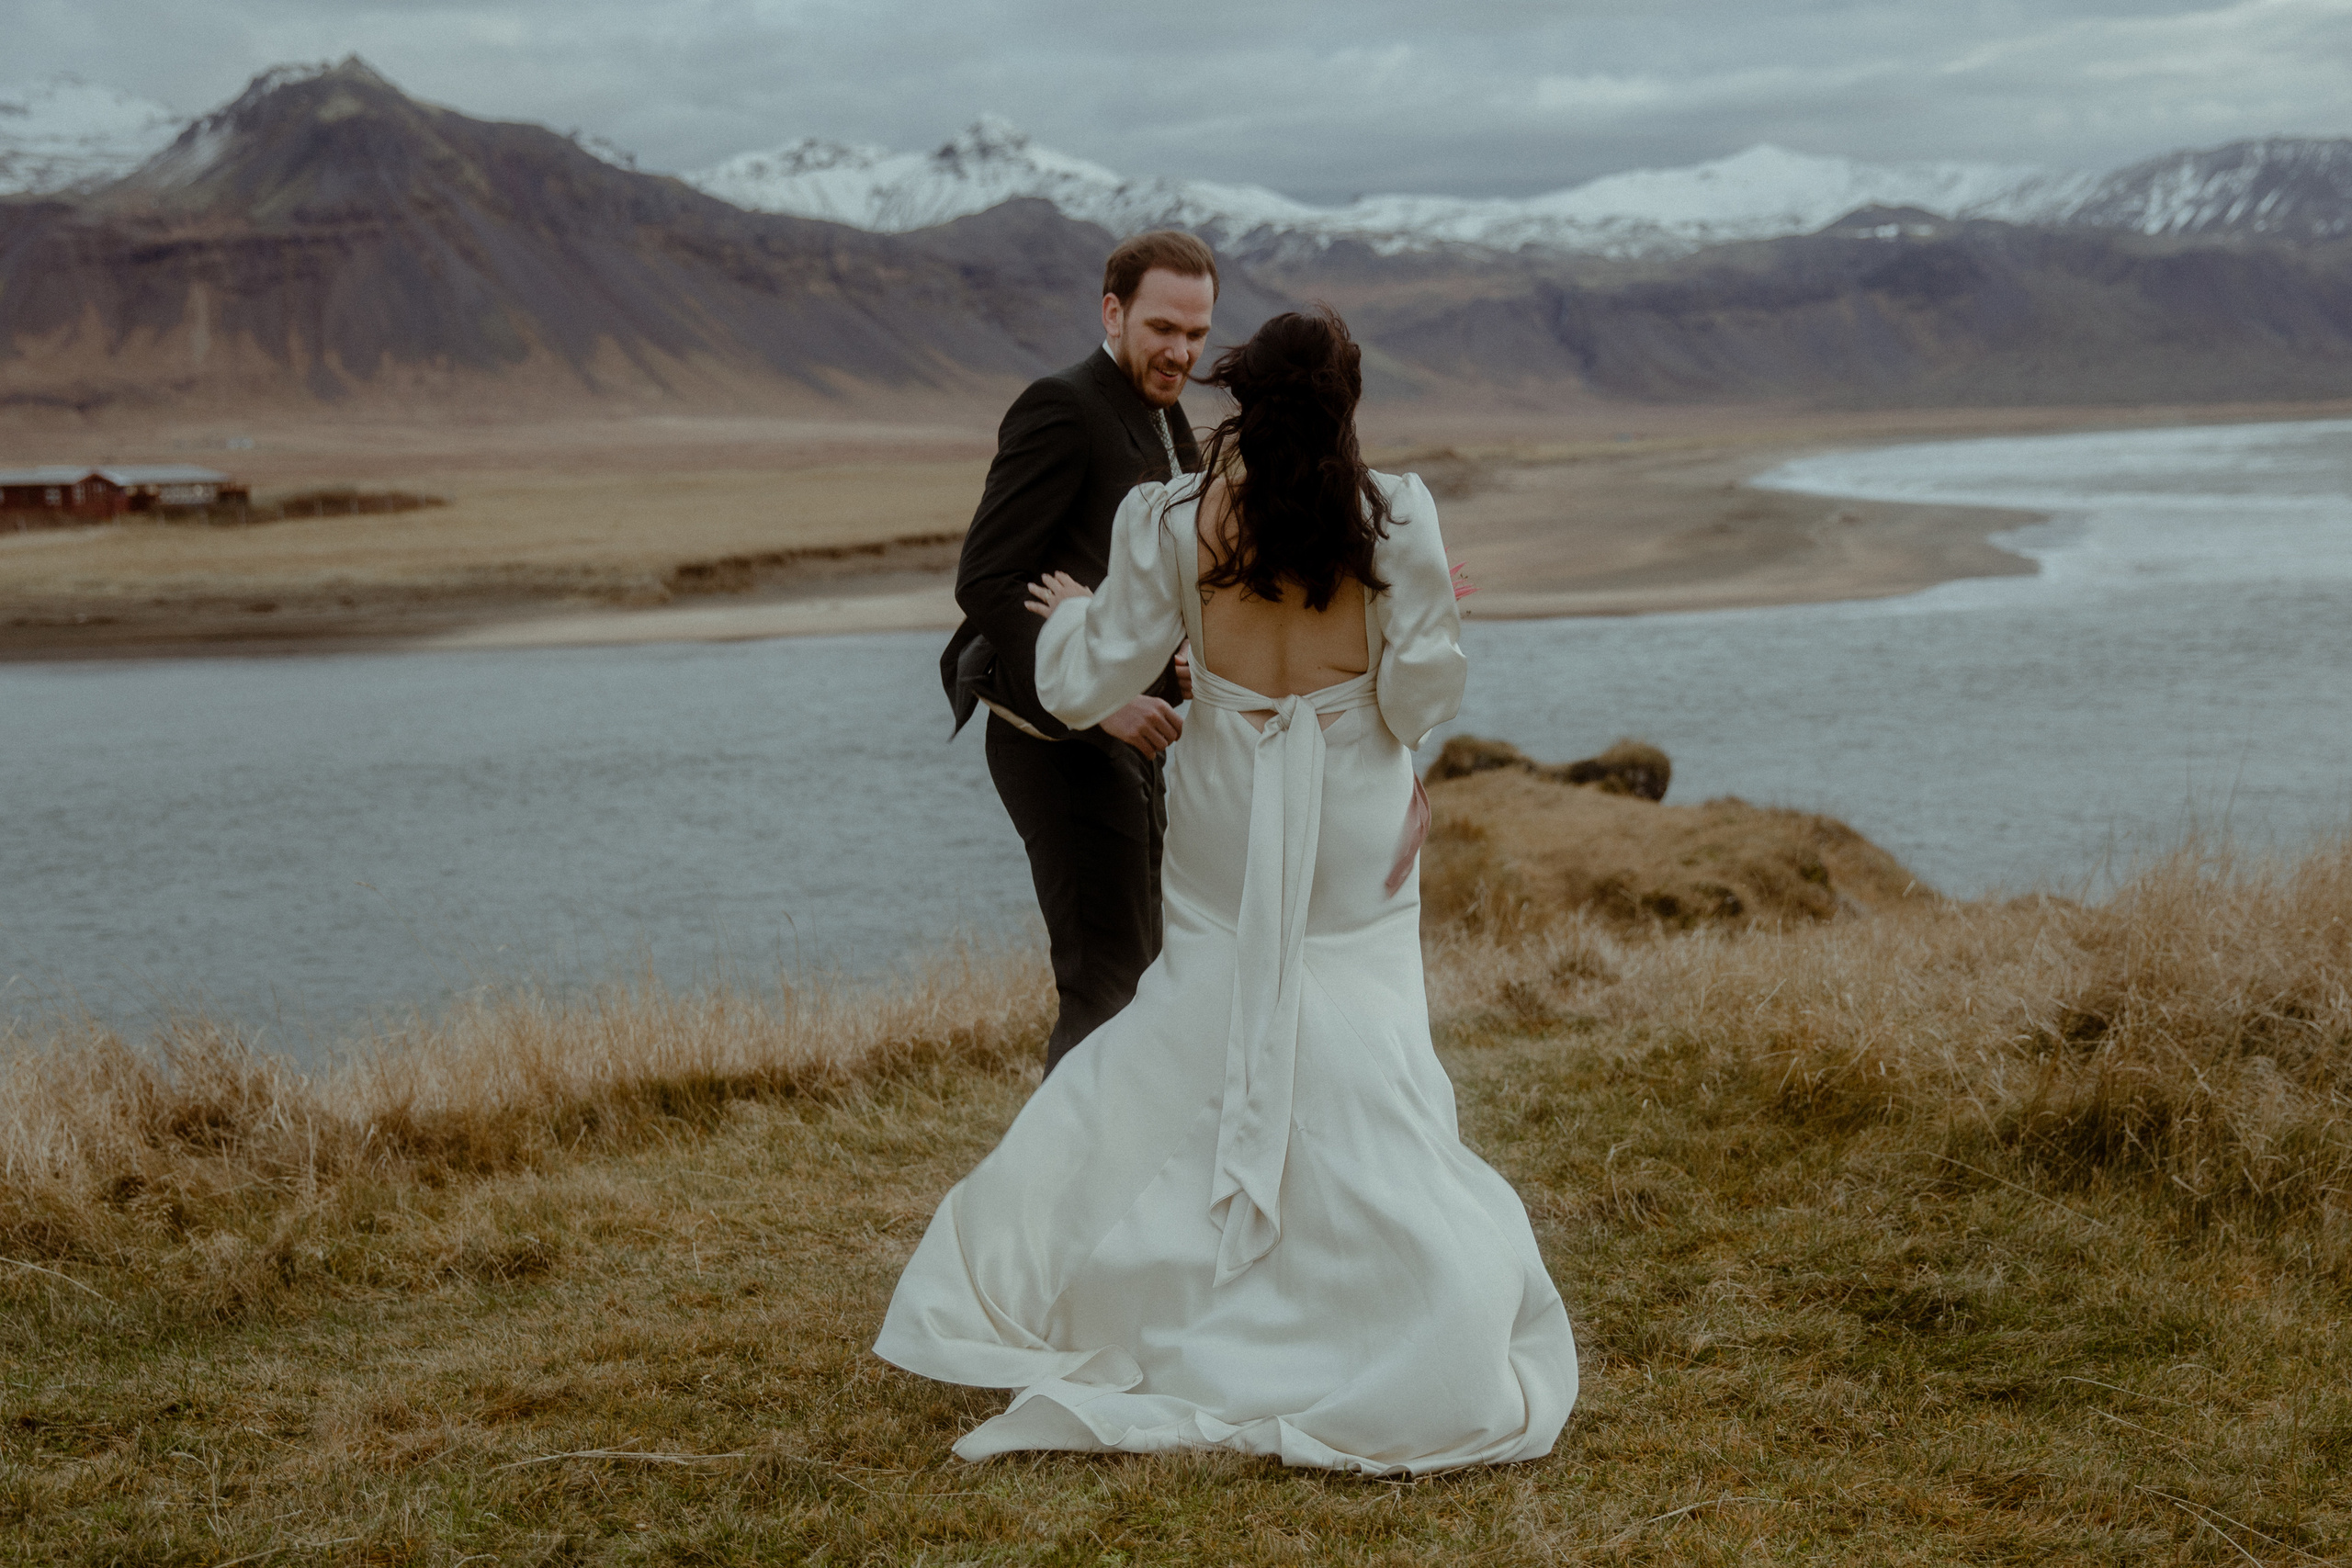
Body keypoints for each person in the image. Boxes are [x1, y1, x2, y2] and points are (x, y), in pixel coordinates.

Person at [878, 308, 1577, 1475]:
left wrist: (1072, 623)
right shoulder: (1397, 511)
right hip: (1354, 812)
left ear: (1237, 400)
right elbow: (1420, 696)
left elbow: (1085, 675)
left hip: (1225, 810)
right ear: (1347, 403)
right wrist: (1423, 627)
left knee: (1190, 1024)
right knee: (1366, 1041)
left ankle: (1124, 1278)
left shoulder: (1163, 515)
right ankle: (1401, 1292)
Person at [941, 231, 1217, 1075]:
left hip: (1135, 735)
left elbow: (1158, 577)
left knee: (1146, 971)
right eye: (1163, 327)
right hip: (1053, 739)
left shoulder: (1169, 419)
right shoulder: (1060, 406)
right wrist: (1101, 702)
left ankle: (1117, 1186)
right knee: (1104, 986)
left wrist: (1179, 660)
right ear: (1114, 311)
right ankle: (1060, 1201)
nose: (1180, 351)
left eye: (1197, 334)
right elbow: (986, 580)